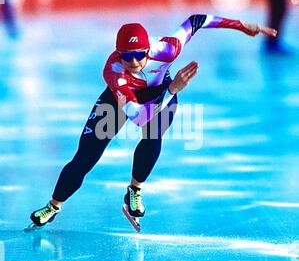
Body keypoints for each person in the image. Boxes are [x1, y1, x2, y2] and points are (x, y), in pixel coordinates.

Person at [28, 14, 276, 230]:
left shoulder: (167, 49)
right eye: (127, 56)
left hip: (161, 92)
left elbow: (197, 20)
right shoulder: (114, 70)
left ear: (149, 49)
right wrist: (173, 89)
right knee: (85, 157)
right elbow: (138, 117)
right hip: (125, 100)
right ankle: (53, 206)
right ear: (118, 53)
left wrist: (242, 25)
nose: (134, 62)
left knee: (153, 135)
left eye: (140, 54)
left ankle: (134, 190)